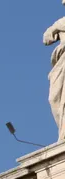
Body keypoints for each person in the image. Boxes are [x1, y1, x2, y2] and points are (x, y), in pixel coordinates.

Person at [45, 12, 65, 142]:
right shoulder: (61, 22)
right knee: (54, 99)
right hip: (62, 60)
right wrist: (56, 27)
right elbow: (47, 39)